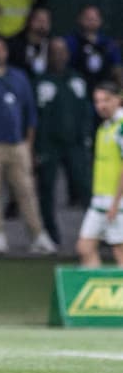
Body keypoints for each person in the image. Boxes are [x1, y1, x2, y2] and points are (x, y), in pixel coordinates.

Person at [0, 35, 57, 254]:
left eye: (0, 49)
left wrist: (29, 142)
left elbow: (30, 111)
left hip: (18, 144)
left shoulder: (19, 77)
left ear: (6, 52)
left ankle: (37, 235)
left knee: (26, 190)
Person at [34, 37, 92, 244]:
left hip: (75, 144)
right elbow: (35, 117)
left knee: (84, 187)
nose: (59, 56)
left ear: (67, 55)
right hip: (49, 145)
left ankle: (94, 233)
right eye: (54, 52)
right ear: (48, 56)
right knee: (47, 189)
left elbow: (86, 111)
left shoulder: (76, 79)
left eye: (62, 51)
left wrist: (85, 137)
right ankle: (51, 233)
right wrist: (37, 147)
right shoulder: (41, 81)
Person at [76, 82, 123, 267]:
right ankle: (100, 293)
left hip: (117, 202)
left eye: (106, 100)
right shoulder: (104, 127)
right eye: (97, 101)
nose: (101, 105)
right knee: (84, 247)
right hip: (99, 200)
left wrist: (115, 202)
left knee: (120, 251)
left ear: (118, 100)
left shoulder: (120, 128)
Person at [64, 5, 123, 94]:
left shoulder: (109, 44)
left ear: (100, 21)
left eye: (95, 18)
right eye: (87, 18)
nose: (91, 21)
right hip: (76, 89)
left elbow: (118, 69)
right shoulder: (70, 42)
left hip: (104, 91)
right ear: (79, 19)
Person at [7, 6, 52, 80]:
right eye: (39, 20)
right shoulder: (14, 45)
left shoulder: (53, 44)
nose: (42, 25)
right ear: (29, 21)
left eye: (46, 21)